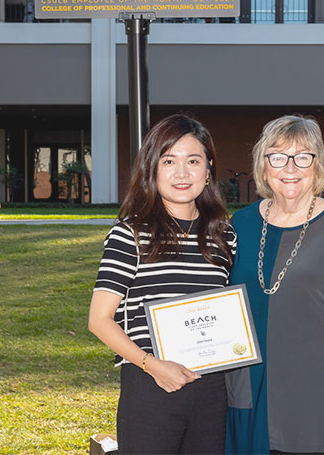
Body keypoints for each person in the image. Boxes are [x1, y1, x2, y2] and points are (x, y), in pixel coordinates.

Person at [225, 115, 324, 455]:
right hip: (253, 397)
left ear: (318, 165)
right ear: (263, 164)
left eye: (303, 157)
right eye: (278, 156)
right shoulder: (240, 225)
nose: (290, 167)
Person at [88, 115, 236, 454]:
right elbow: (99, 319)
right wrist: (153, 366)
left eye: (193, 161)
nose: (181, 173)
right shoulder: (130, 234)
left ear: (208, 169)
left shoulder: (223, 235)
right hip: (151, 385)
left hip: (211, 390)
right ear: (152, 168)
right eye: (169, 161)